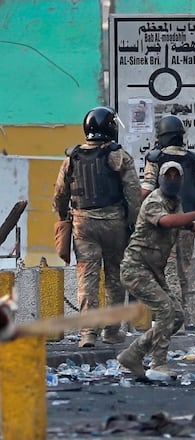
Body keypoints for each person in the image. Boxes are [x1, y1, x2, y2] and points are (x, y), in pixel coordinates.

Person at [53, 106, 142, 348]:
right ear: (110, 128)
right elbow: (133, 194)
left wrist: (63, 219)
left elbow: (60, 194)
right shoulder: (119, 155)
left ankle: (87, 334)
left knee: (87, 279)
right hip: (114, 224)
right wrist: (133, 223)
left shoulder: (72, 157)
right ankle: (111, 331)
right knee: (114, 278)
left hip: (83, 224)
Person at [116, 162, 195, 379]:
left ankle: (134, 353)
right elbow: (166, 221)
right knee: (166, 311)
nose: (171, 179)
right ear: (160, 178)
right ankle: (158, 363)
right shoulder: (154, 200)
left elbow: (175, 219)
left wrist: (191, 225)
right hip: (136, 268)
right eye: (167, 175)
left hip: (153, 271)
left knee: (177, 316)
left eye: (175, 176)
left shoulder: (174, 201)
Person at [141, 115, 195, 328]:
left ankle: (175, 321)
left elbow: (146, 190)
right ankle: (182, 317)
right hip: (190, 222)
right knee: (182, 270)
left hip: (165, 222)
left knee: (169, 270)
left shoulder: (155, 158)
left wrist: (138, 214)